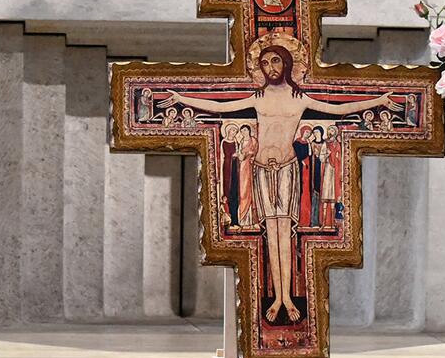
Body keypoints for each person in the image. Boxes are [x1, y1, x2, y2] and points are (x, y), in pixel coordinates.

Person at [158, 45, 400, 325]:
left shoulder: (300, 99)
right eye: (265, 63)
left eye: (275, 61)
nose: (270, 67)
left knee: (284, 233)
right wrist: (181, 97)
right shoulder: (258, 98)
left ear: (286, 63)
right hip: (261, 170)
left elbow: (340, 108)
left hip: (287, 169)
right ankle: (277, 297)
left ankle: (286, 296)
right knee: (270, 233)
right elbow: (220, 106)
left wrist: (378, 100)